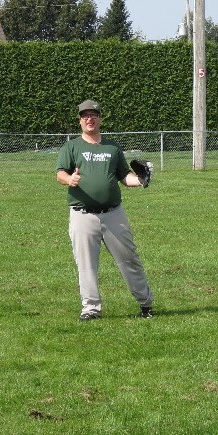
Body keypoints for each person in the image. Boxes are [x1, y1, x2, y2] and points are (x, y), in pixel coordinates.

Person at [56, 99, 154, 321]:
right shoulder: (71, 147)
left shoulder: (112, 148)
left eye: (93, 115)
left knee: (129, 258)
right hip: (82, 214)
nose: (89, 119)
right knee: (86, 264)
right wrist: (69, 179)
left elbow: (124, 176)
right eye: (85, 116)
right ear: (80, 120)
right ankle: (91, 309)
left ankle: (145, 303)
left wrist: (140, 180)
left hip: (113, 214)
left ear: (100, 118)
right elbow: (60, 173)